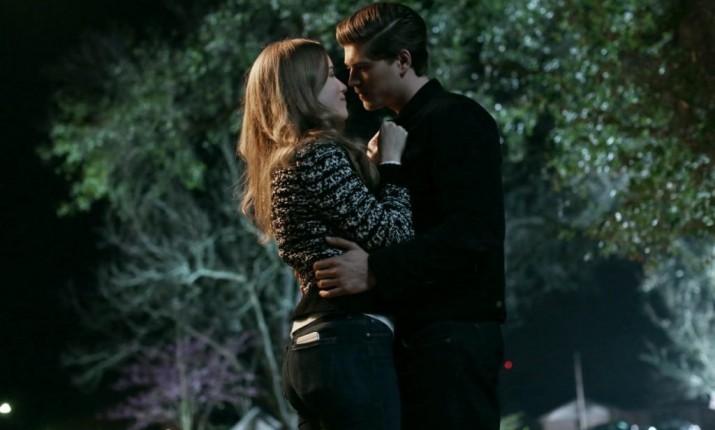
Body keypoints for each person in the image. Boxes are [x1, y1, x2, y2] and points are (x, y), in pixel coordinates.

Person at [312, 3, 506, 429]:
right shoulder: (393, 135)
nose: (351, 80)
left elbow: (475, 232)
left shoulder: (457, 119)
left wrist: (376, 270)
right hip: (413, 338)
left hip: (452, 336)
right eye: (348, 69)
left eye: (362, 67)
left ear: (402, 61)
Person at [237, 38, 413, 429]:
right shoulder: (316, 154)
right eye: (330, 76)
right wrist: (392, 163)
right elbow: (395, 236)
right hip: (348, 343)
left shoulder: (286, 162)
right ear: (303, 90)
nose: (343, 85)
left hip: (309, 351)